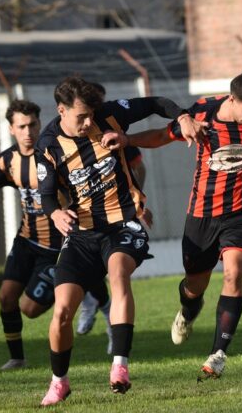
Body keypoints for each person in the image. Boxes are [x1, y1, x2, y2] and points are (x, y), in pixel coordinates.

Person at [36, 76, 205, 406]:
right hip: (82, 233)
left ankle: (120, 367)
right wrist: (55, 213)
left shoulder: (110, 115)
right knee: (62, 313)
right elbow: (45, 196)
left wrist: (183, 116)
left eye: (91, 115)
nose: (89, 123)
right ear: (61, 110)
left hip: (124, 223)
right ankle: (59, 382)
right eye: (81, 116)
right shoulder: (48, 146)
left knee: (118, 275)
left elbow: (156, 103)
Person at [109, 70, 242, 381]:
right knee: (194, 286)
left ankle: (218, 354)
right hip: (203, 214)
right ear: (232, 99)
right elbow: (160, 136)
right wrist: (127, 140)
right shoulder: (201, 115)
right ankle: (187, 310)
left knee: (233, 273)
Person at [0, 100, 108, 370]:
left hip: (55, 248)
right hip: (26, 241)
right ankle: (17, 358)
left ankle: (84, 285)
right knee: (6, 297)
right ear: (11, 129)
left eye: (32, 124)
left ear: (39, 123)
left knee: (29, 309)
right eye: (22, 126)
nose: (28, 131)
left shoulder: (54, 154)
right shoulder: (8, 160)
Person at [75, 83, 150, 340]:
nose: (96, 113)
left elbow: (139, 167)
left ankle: (105, 312)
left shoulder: (113, 129)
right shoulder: (63, 139)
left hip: (117, 218)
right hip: (77, 216)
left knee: (113, 270)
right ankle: (94, 301)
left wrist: (137, 200)